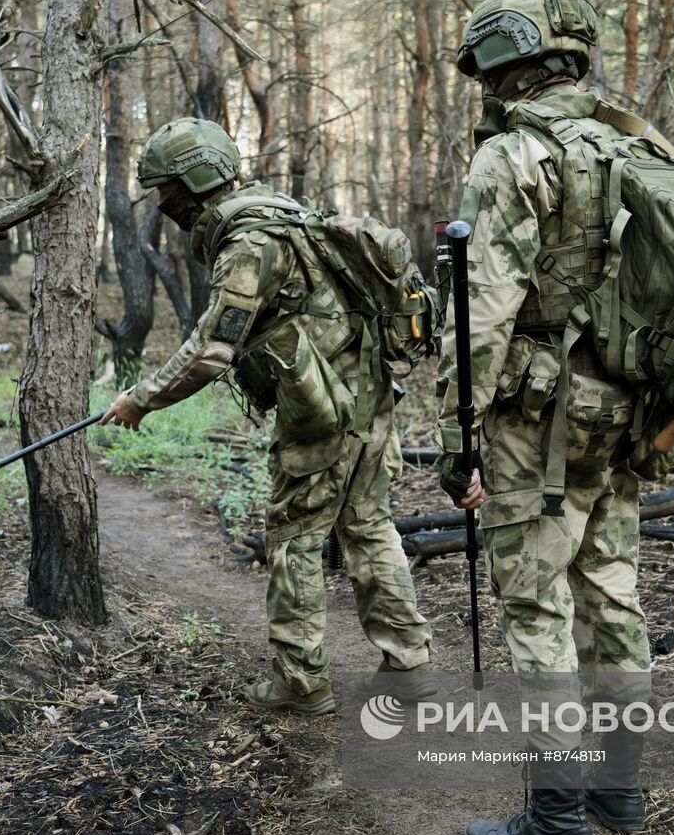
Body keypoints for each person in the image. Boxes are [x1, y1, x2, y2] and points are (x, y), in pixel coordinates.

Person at [436, 0, 674, 835]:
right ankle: (619, 787)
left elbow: (480, 319)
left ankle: (557, 823)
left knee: (538, 606)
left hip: (538, 417)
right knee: (611, 588)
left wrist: (455, 437)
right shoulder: (641, 143)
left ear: (506, 63)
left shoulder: (514, 155)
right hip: (628, 407)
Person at [103, 118, 435, 715]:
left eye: (166, 189)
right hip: (367, 396)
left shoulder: (249, 245)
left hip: (324, 409)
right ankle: (408, 667)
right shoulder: (281, 214)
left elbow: (210, 349)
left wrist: (141, 398)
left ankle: (301, 682)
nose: (160, 203)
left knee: (295, 538)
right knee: (367, 526)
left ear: (194, 182)